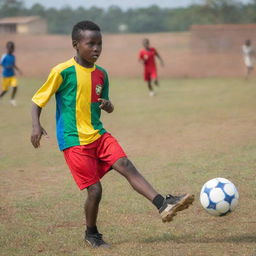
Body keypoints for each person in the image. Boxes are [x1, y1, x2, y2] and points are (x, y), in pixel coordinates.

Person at [30, 20, 194, 249]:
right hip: (74, 140)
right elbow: (39, 99)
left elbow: (106, 104)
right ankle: (91, 233)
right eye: (91, 44)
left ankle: (162, 203)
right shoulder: (62, 71)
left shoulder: (102, 74)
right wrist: (36, 125)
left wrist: (108, 105)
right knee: (95, 190)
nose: (96, 49)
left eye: (99, 44)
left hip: (98, 134)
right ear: (76, 45)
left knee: (126, 164)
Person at [0, 41, 22, 106]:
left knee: (15, 86)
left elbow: (13, 65)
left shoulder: (13, 56)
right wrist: (7, 66)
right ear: (7, 48)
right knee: (5, 90)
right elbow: (1, 64)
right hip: (5, 75)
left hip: (12, 75)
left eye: (12, 48)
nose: (11, 49)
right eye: (10, 48)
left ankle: (12, 100)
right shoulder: (4, 56)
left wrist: (19, 70)